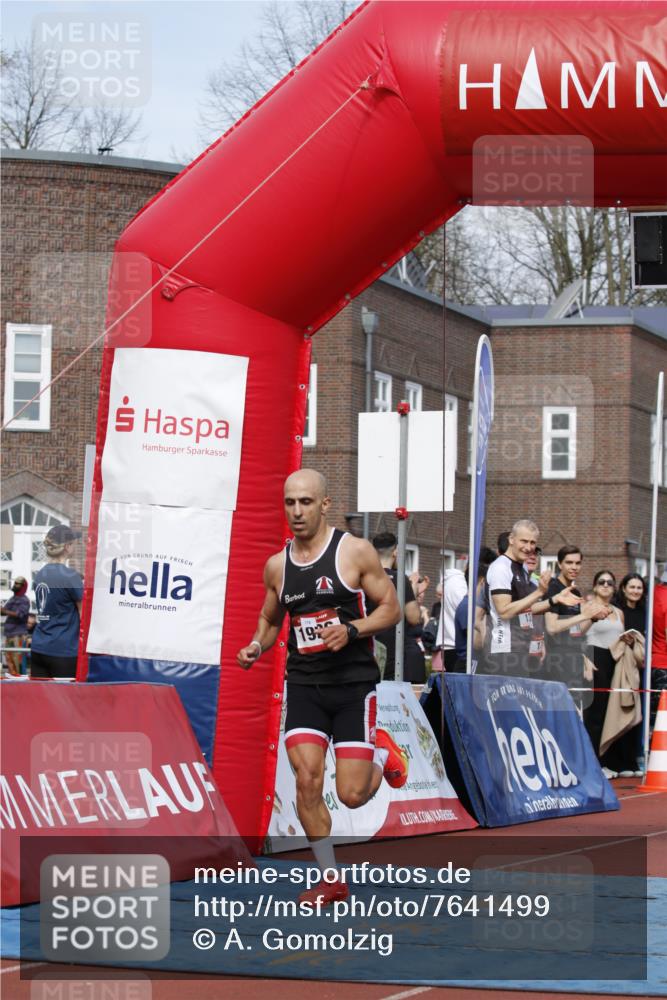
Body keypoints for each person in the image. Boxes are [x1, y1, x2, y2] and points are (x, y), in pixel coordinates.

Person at [237, 469, 403, 905]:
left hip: (352, 686)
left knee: (350, 795)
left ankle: (381, 754)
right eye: (290, 502)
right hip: (306, 684)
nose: (296, 511)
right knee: (307, 780)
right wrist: (257, 645)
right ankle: (331, 879)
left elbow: (391, 609)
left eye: (306, 502)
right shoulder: (278, 565)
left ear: (324, 504)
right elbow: (271, 620)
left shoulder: (355, 553)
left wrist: (353, 630)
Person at [483, 519, 579, 678]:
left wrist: (553, 600)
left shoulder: (521, 568)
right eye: (524, 541)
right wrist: (539, 592)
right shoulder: (501, 567)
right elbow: (504, 612)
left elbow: (523, 610)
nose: (528, 548)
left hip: (521, 650)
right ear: (511, 539)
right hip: (503, 649)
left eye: (533, 543)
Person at [583, 570, 638, 778]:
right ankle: (592, 762)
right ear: (595, 586)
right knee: (595, 713)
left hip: (615, 659)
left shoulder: (618, 611)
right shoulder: (587, 607)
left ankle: (605, 761)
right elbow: (578, 632)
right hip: (595, 657)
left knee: (609, 712)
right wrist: (583, 657)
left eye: (609, 582)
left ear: (615, 587)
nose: (605, 585)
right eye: (601, 582)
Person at [545, 546, 610, 693]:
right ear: (560, 564)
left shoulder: (575, 591)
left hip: (573, 658)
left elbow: (576, 630)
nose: (574, 567)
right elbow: (552, 627)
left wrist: (592, 618)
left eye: (578, 563)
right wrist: (584, 615)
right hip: (556, 660)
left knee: (576, 710)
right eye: (569, 563)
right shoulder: (553, 588)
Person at [31, 526, 83, 679]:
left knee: (39, 701)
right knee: (65, 702)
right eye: (73, 543)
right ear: (67, 547)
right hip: (64, 652)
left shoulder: (40, 575)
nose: (74, 546)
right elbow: (83, 615)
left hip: (39, 648)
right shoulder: (70, 576)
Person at [371, 533, 425, 683]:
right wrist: (412, 590)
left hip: (371, 648)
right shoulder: (401, 580)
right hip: (396, 651)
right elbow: (414, 618)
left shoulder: (365, 578)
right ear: (395, 552)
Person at [453, 547, 496, 672]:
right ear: (483, 582)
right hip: (468, 665)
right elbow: (477, 642)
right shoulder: (468, 606)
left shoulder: (472, 605)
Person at [435, 564, 468, 671]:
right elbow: (466, 613)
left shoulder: (453, 582)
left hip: (451, 644)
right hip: (456, 646)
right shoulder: (459, 584)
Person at [1, 575, 30, 675]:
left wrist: (4, 611)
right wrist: (2, 610)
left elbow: (20, 614)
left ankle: (20, 684)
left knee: (18, 661)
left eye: (18, 584)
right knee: (9, 660)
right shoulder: (12, 598)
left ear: (23, 586)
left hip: (18, 635)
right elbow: (4, 611)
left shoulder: (24, 600)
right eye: (15, 583)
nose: (15, 585)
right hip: (9, 634)